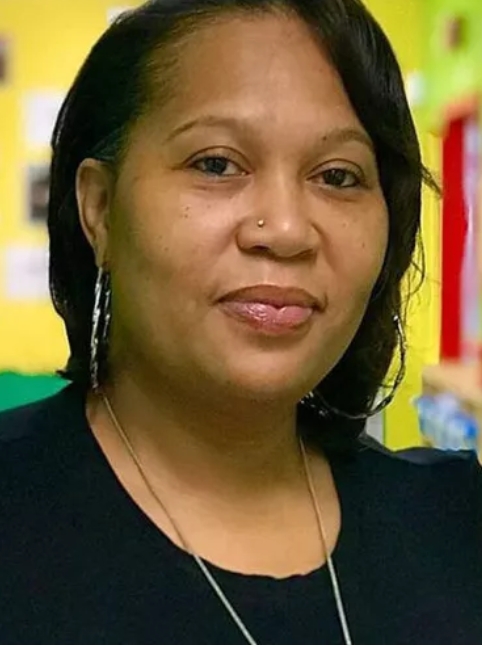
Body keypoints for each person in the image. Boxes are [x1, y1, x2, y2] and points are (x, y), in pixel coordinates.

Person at [0, 0, 480, 644]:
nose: (285, 230)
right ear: (101, 208)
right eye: (216, 164)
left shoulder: (455, 525)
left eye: (338, 176)